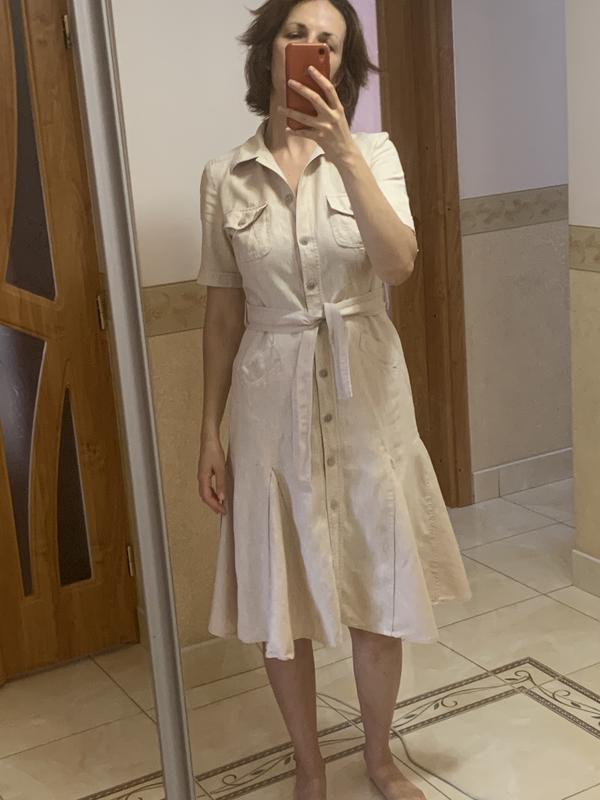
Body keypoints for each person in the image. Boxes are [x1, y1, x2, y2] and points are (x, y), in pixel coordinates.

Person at [196, 1, 472, 798]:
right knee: (280, 595)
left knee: (379, 583)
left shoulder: (375, 153)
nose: (311, 47)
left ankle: (379, 758)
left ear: (344, 66)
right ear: (269, 48)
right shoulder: (226, 177)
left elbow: (399, 264)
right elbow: (221, 314)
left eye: (330, 41)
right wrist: (208, 432)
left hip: (367, 399)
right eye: (297, 33)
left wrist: (345, 152)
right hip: (268, 405)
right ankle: (309, 765)